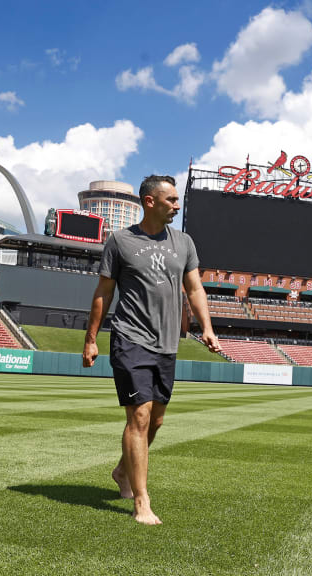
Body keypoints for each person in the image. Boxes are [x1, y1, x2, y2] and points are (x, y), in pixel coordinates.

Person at [82, 174, 221, 525]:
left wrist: (207, 327)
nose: (177, 205)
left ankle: (122, 469)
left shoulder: (185, 243)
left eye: (177, 199)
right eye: (171, 200)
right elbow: (104, 293)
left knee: (156, 420)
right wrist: (90, 338)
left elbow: (195, 289)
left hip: (167, 343)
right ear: (150, 202)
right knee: (139, 416)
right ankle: (141, 501)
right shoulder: (120, 242)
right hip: (130, 338)